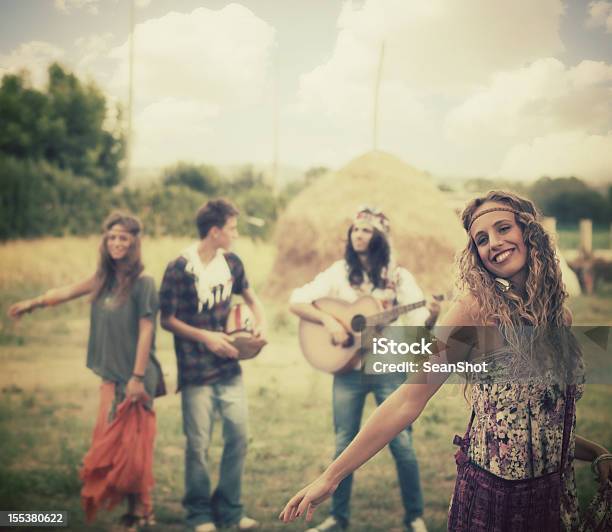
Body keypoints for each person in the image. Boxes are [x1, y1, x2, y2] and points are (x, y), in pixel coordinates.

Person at [280, 192, 612, 531]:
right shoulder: (474, 311)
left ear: (529, 232)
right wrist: (330, 477)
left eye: (502, 228)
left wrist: (598, 451)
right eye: (481, 239)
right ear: (477, 255)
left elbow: (547, 420)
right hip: (493, 500)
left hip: (556, 501)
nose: (494, 243)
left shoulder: (562, 318)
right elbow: (409, 400)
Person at [8, 212, 165, 531]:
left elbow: (146, 331)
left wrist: (136, 379)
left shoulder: (143, 283)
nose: (116, 243)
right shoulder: (103, 279)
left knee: (133, 449)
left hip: (135, 378)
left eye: (123, 238)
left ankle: (137, 514)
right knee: (111, 443)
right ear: (104, 242)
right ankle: (139, 510)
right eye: (111, 237)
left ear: (135, 243)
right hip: (111, 377)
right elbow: (66, 291)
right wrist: (32, 303)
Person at [288, 207, 439, 532]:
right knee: (344, 441)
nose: (358, 235)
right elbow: (297, 300)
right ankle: (337, 519)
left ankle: (414, 517)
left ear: (380, 237)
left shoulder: (399, 277)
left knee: (401, 444)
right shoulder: (338, 272)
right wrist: (329, 320)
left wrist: (432, 316)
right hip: (347, 370)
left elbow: (418, 327)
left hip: (387, 367)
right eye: (354, 230)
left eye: (366, 230)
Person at [159, 198, 266, 532]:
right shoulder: (180, 268)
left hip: (229, 366)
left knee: (239, 437)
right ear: (215, 231)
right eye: (232, 228)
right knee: (198, 445)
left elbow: (250, 297)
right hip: (195, 371)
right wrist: (206, 337)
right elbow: (168, 319)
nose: (235, 234)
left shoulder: (232, 263)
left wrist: (260, 322)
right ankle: (199, 513)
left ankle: (231, 510)